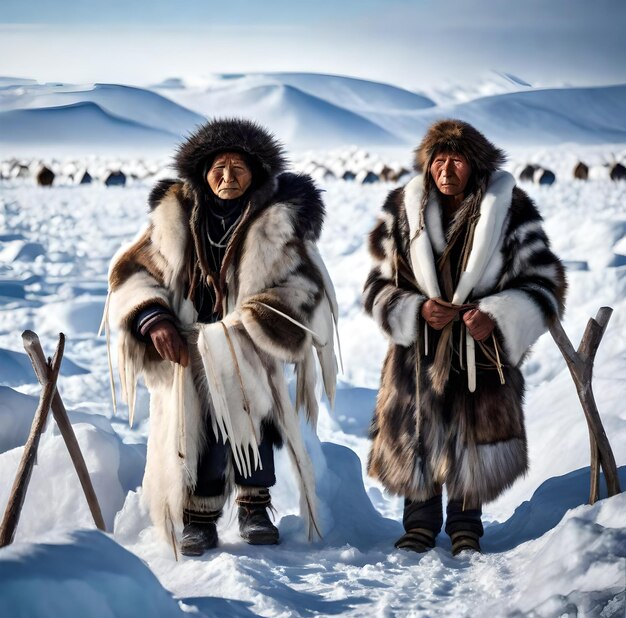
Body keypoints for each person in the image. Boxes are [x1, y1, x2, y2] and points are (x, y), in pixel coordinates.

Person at [104, 118, 338, 556]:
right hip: (188, 348)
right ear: (202, 172)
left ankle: (254, 506)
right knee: (200, 431)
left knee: (258, 422)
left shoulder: (278, 223)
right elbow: (134, 273)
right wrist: (154, 319)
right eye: (219, 167)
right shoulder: (174, 220)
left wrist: (252, 322)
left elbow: (304, 286)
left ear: (255, 174)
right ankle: (199, 515)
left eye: (238, 168)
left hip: (251, 345)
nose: (228, 177)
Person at [363, 119, 566, 555]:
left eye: (456, 159)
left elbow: (545, 281)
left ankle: (465, 526)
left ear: (474, 164)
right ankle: (417, 524)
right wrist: (415, 310)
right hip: (418, 349)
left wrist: (496, 314)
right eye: (438, 159)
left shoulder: (511, 210)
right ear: (428, 164)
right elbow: (377, 285)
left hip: (482, 350)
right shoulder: (404, 209)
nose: (446, 168)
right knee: (417, 431)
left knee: (471, 435)